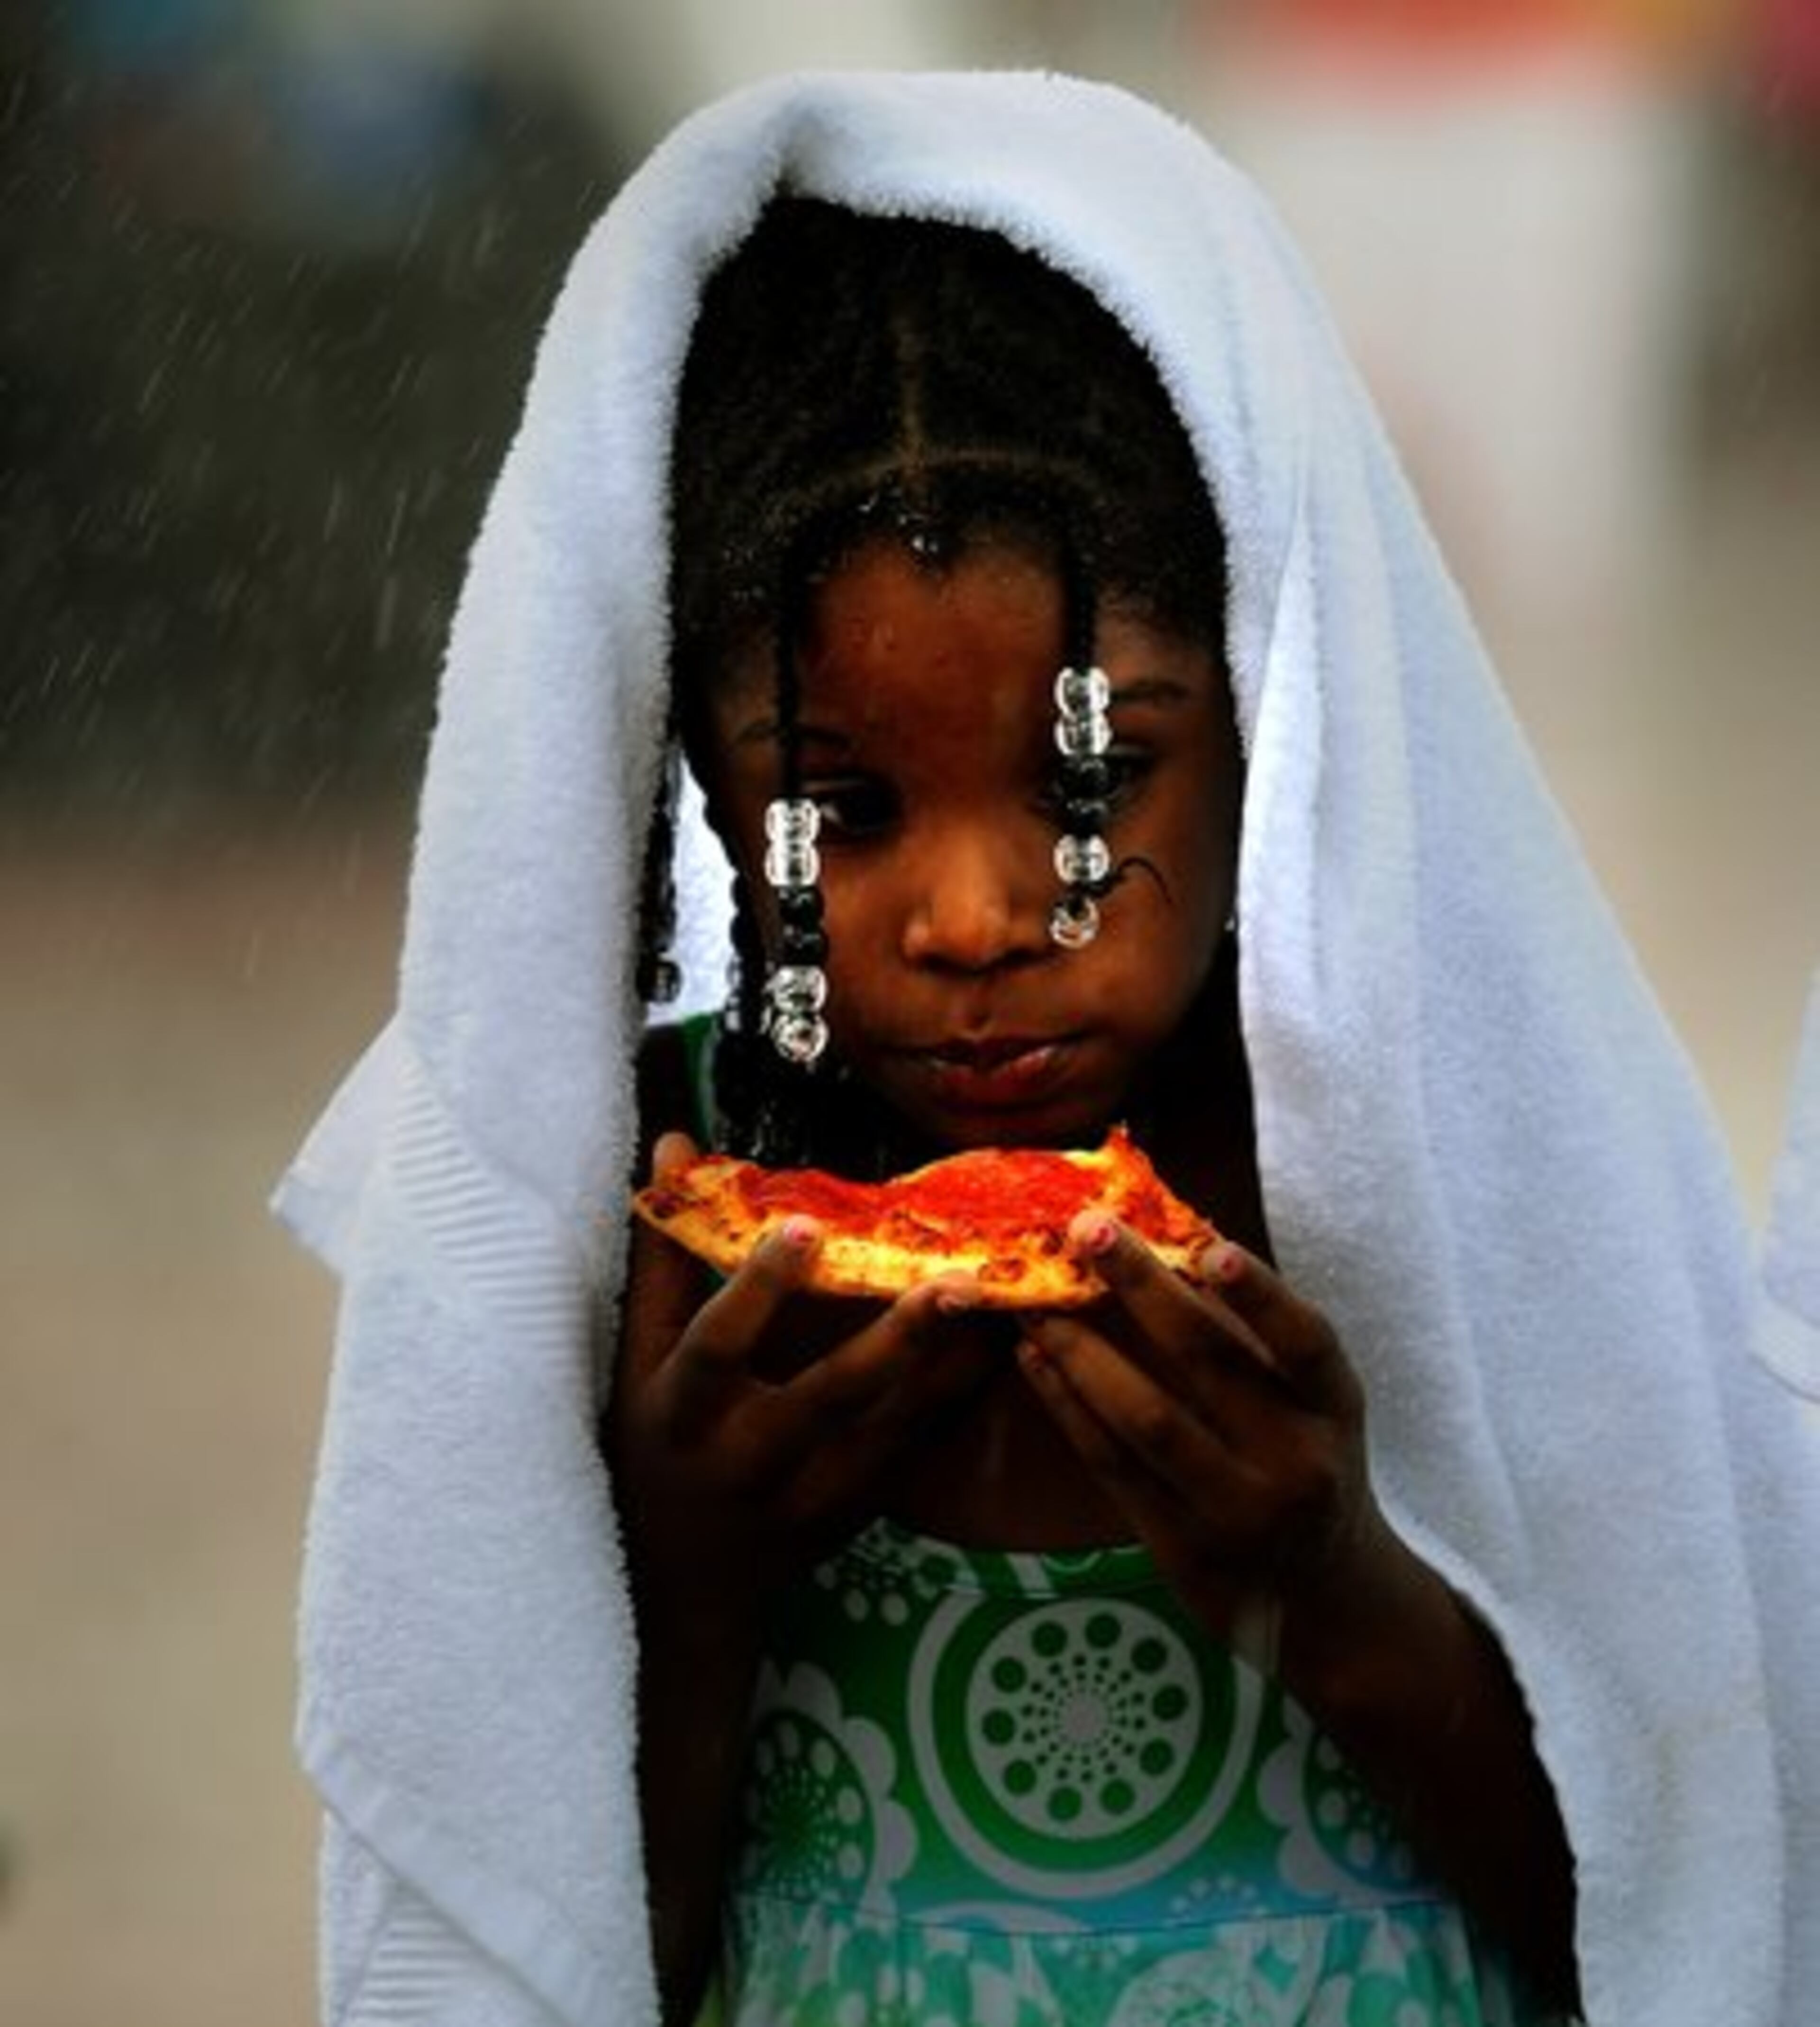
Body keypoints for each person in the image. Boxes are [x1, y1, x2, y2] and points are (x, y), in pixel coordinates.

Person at [275, 70, 1820, 2027]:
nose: (982, 916)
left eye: (1095, 782)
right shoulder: (659, 1260)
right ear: (693, 786)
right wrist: (694, 1572)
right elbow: (549, 1937)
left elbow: (1708, 1904)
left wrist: (1344, 1587)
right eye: (840, 810)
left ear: (1278, 717)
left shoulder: (1425, 1199)